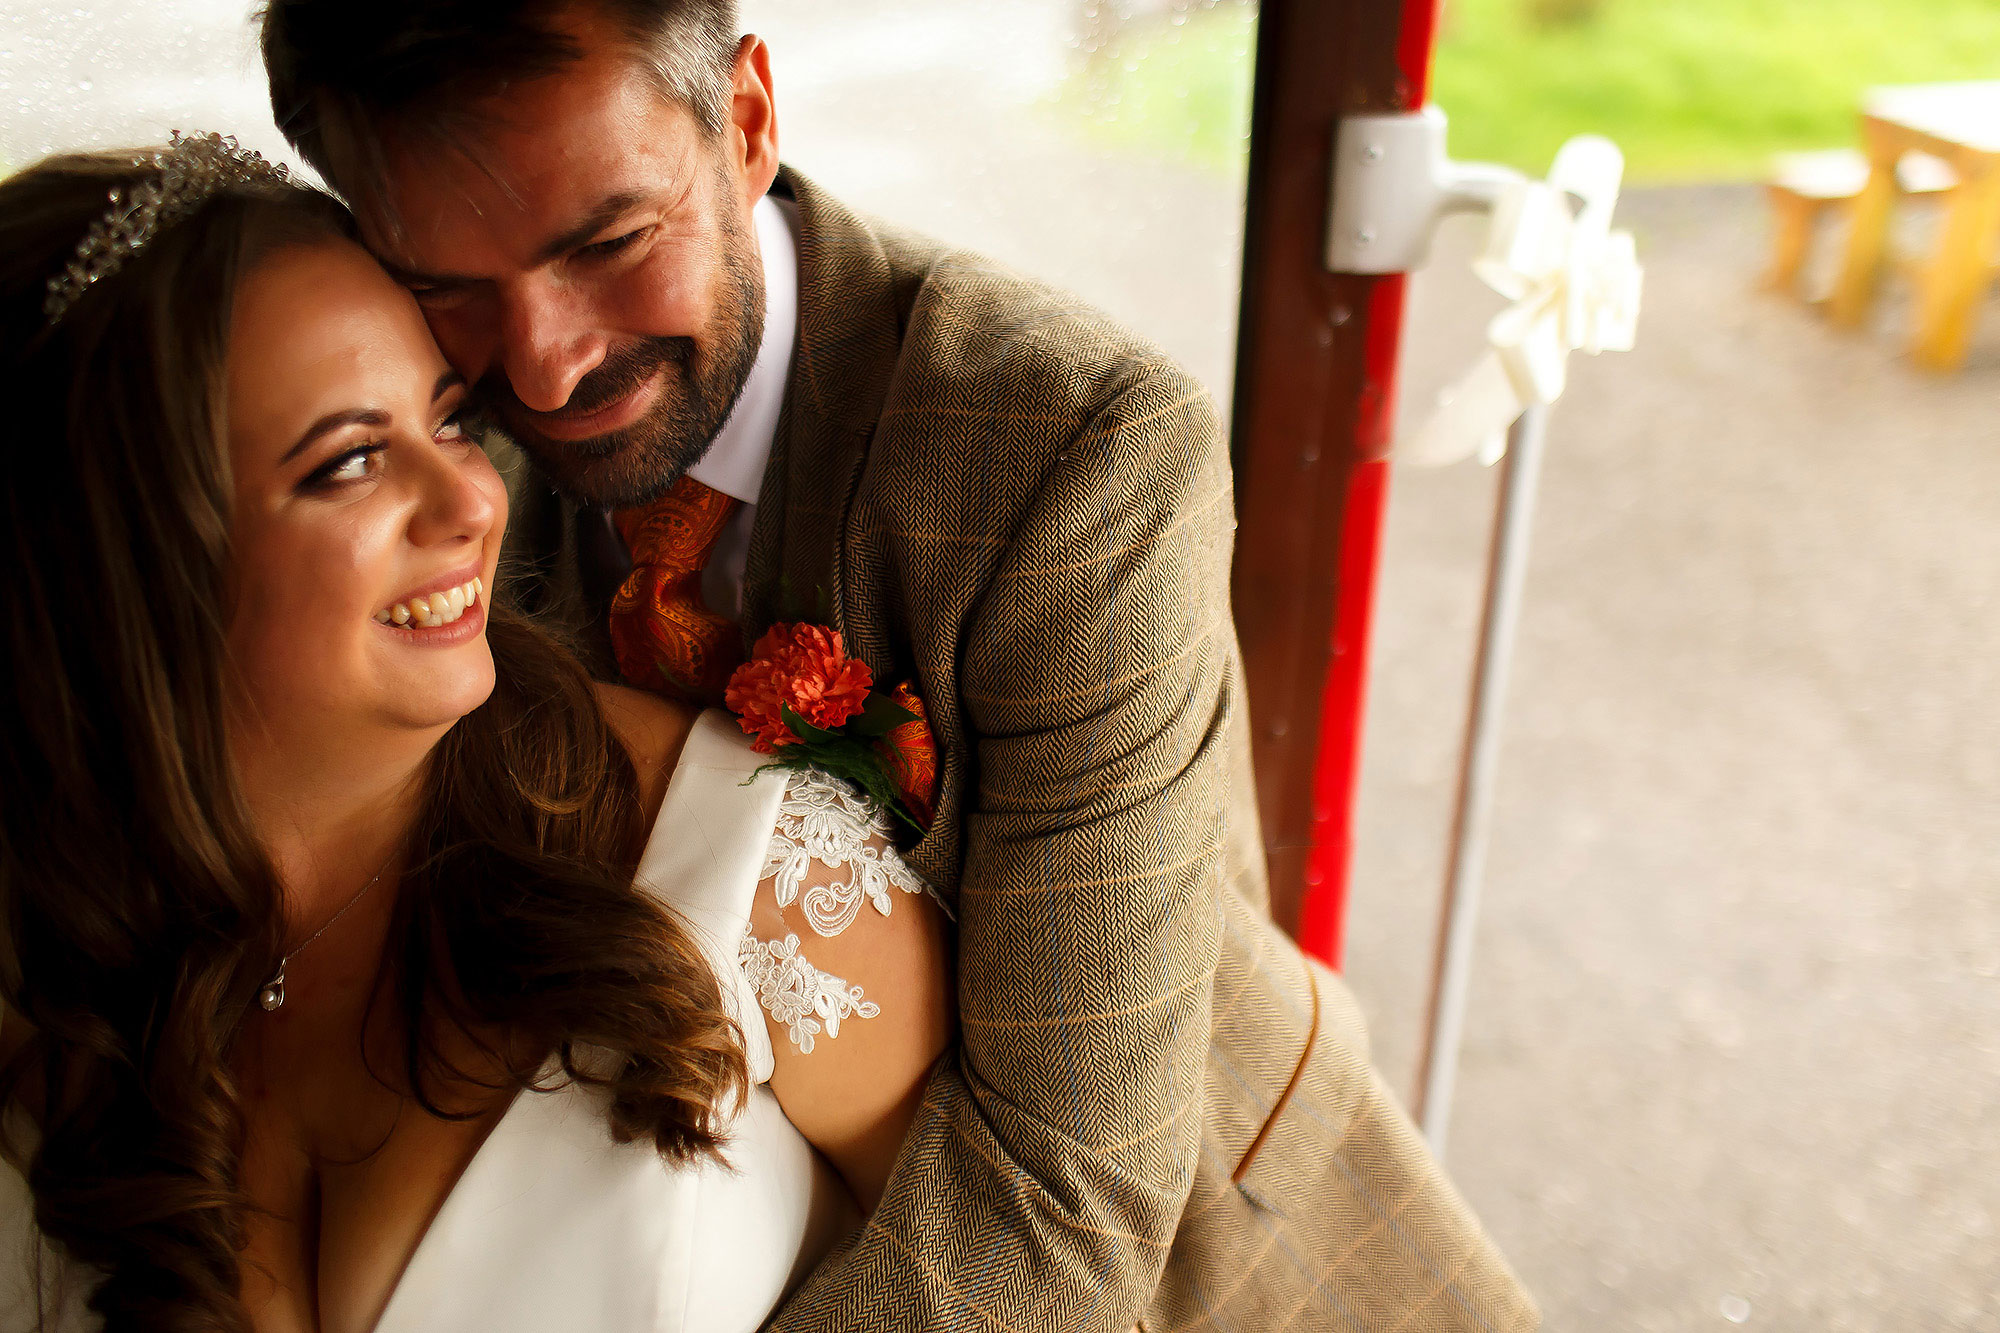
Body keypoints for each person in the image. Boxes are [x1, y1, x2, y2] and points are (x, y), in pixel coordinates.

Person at [259, 3, 1539, 1330]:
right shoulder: (414, 468)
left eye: (611, 243)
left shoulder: (1075, 455)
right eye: (445, 284)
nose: (546, 361)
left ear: (748, 119)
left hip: (1211, 1264)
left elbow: (1069, 1198)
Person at [0, 137, 954, 1332]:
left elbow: (1048, 1281)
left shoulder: (752, 870)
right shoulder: (51, 973)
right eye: (349, 462)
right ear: (120, 574)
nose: (472, 503)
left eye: (449, 421)